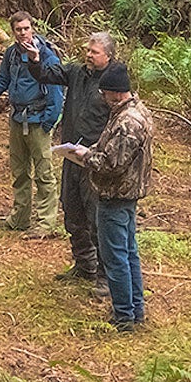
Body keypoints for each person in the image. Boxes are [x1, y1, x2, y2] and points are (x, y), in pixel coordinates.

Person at [0, 12, 65, 235]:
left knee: (44, 173)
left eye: (26, 28)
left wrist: (48, 122)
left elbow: (56, 91)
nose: (23, 33)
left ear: (32, 28)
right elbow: (3, 80)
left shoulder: (47, 56)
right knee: (19, 171)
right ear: (13, 32)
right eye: (18, 30)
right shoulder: (11, 54)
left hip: (38, 120)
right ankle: (20, 217)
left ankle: (45, 222)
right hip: (16, 119)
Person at [35, 32, 117, 284]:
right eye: (88, 50)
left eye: (94, 52)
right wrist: (35, 59)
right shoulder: (77, 72)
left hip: (95, 160)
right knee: (72, 211)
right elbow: (49, 74)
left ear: (109, 56)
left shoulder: (114, 80)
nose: (89, 55)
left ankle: (105, 275)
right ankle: (84, 265)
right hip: (72, 155)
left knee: (95, 217)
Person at [77, 62, 153, 330]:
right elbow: (111, 148)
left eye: (105, 93)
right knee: (128, 253)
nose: (103, 98)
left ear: (117, 93)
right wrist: (92, 149)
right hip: (125, 194)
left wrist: (87, 157)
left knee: (116, 257)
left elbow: (112, 164)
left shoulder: (128, 122)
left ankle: (124, 317)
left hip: (116, 195)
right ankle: (135, 310)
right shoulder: (130, 112)